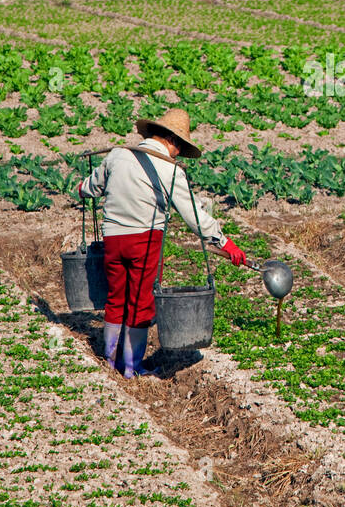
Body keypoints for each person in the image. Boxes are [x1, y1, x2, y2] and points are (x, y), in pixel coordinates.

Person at [77, 108, 246, 377]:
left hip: (113, 240)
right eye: (179, 147)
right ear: (172, 141)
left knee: (116, 297)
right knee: (141, 303)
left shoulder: (117, 154)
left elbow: (89, 188)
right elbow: (193, 215)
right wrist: (223, 242)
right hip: (144, 241)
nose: (178, 153)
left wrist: (82, 187)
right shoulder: (170, 169)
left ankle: (109, 360)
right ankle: (131, 367)